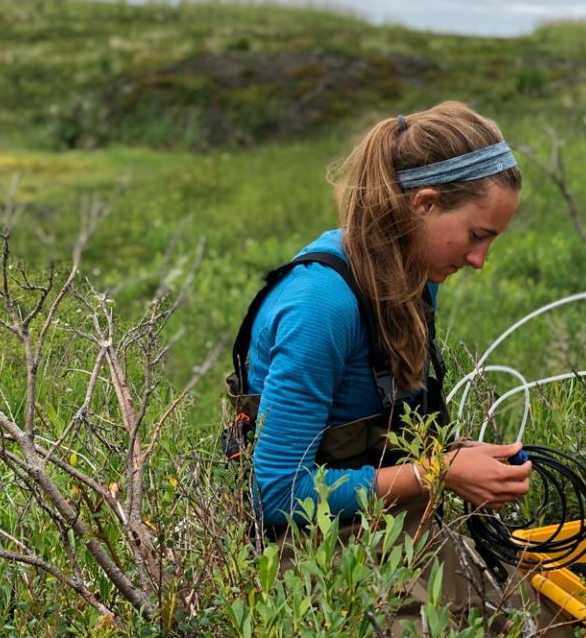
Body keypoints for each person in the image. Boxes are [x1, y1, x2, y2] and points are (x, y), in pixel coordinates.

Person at [233, 101, 559, 633]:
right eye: (478, 235)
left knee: (548, 613)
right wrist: (437, 472)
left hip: (383, 521)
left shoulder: (415, 273)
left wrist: (453, 455)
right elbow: (278, 494)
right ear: (424, 203)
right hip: (307, 543)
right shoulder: (321, 307)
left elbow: (381, 419)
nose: (479, 260)